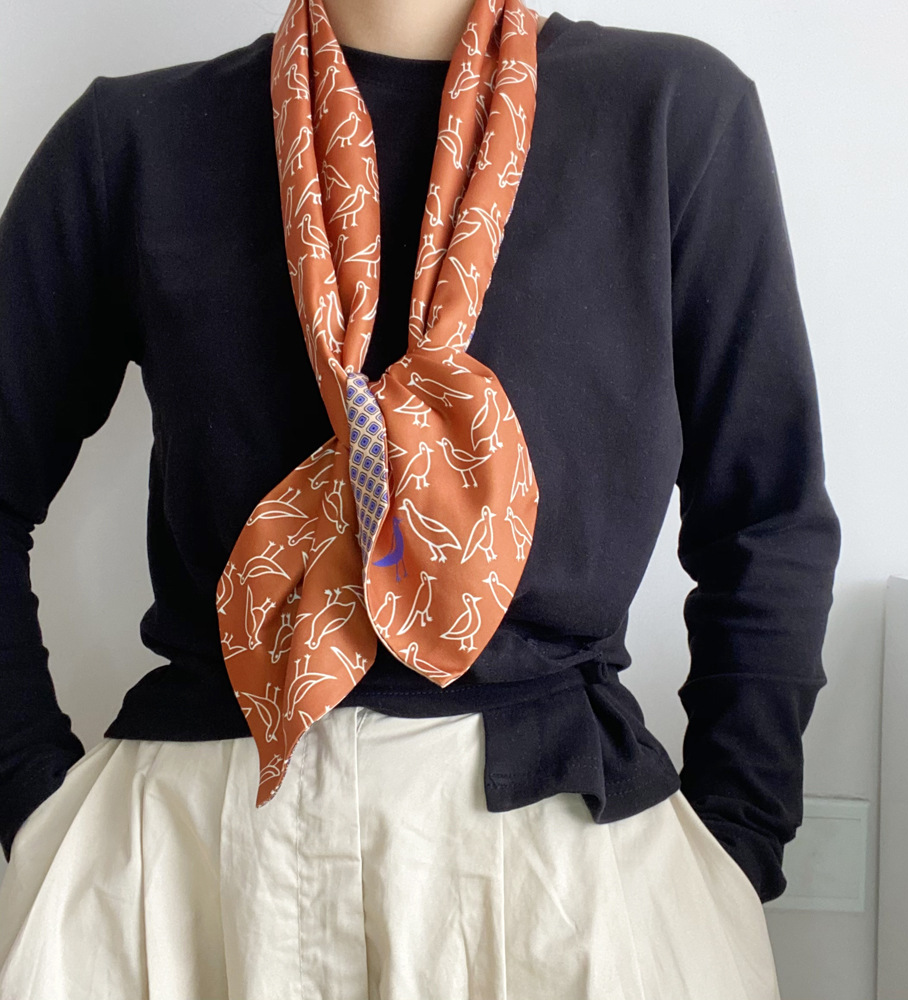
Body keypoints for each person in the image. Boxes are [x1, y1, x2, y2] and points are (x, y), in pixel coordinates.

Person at [0, 0, 841, 996]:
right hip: (198, 853)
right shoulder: (133, 140)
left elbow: (766, 513)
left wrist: (736, 842)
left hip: (557, 850)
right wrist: (31, 797)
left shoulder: (671, 117)